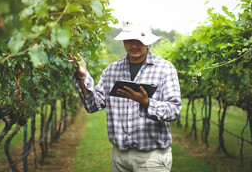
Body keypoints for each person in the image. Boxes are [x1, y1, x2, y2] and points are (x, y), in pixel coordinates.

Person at [71, 21, 182, 172]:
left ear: (147, 42)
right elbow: (92, 105)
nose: (134, 45)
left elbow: (174, 110)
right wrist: (83, 77)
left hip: (151, 158)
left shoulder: (165, 69)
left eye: (139, 41)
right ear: (124, 41)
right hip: (119, 158)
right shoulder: (112, 70)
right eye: (129, 40)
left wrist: (146, 102)